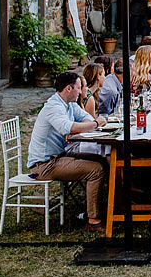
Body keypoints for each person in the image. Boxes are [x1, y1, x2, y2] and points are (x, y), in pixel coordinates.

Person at [27, 72, 108, 231]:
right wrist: (94, 125)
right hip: (45, 164)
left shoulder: (69, 104)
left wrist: (89, 124)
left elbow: (87, 119)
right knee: (96, 170)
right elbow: (70, 127)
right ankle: (93, 220)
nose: (81, 91)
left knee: (101, 158)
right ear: (68, 88)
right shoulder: (54, 107)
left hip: (58, 156)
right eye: (78, 88)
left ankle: (111, 205)